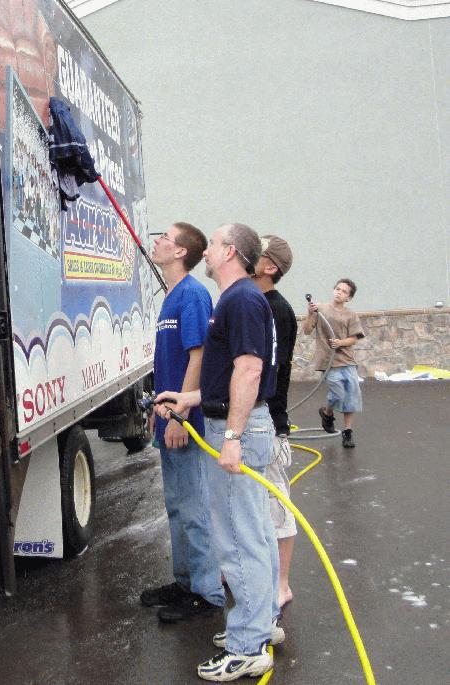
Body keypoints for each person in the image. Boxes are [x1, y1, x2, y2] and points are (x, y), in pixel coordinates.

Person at [155, 223, 283, 682]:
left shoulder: (241, 299)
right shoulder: (239, 299)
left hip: (238, 428)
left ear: (229, 252)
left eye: (212, 244)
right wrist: (187, 398)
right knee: (255, 532)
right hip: (237, 421)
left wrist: (231, 436)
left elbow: (248, 371)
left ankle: (248, 647)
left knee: (238, 540)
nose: (205, 252)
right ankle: (261, 622)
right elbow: (226, 374)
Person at [140, 222, 225, 623]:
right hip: (168, 421)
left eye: (164, 237)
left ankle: (207, 593)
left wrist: (180, 414)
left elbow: (199, 356)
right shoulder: (172, 295)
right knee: (177, 506)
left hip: (184, 421)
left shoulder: (192, 295)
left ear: (180, 252)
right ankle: (185, 582)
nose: (156, 241)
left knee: (194, 509)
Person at [253, 235, 297, 608]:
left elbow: (270, 369)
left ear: (270, 267)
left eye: (258, 252)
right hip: (255, 420)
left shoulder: (277, 310)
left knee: (276, 505)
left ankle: (282, 584)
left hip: (269, 421)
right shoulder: (254, 302)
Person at [302, 279, 365, 448]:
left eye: (344, 291)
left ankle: (348, 432)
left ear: (349, 298)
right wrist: (310, 313)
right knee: (337, 394)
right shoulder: (320, 309)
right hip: (328, 361)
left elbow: (354, 338)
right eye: (337, 289)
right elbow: (307, 330)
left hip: (347, 360)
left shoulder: (351, 315)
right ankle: (327, 413)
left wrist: (341, 343)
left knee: (351, 396)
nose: (339, 292)